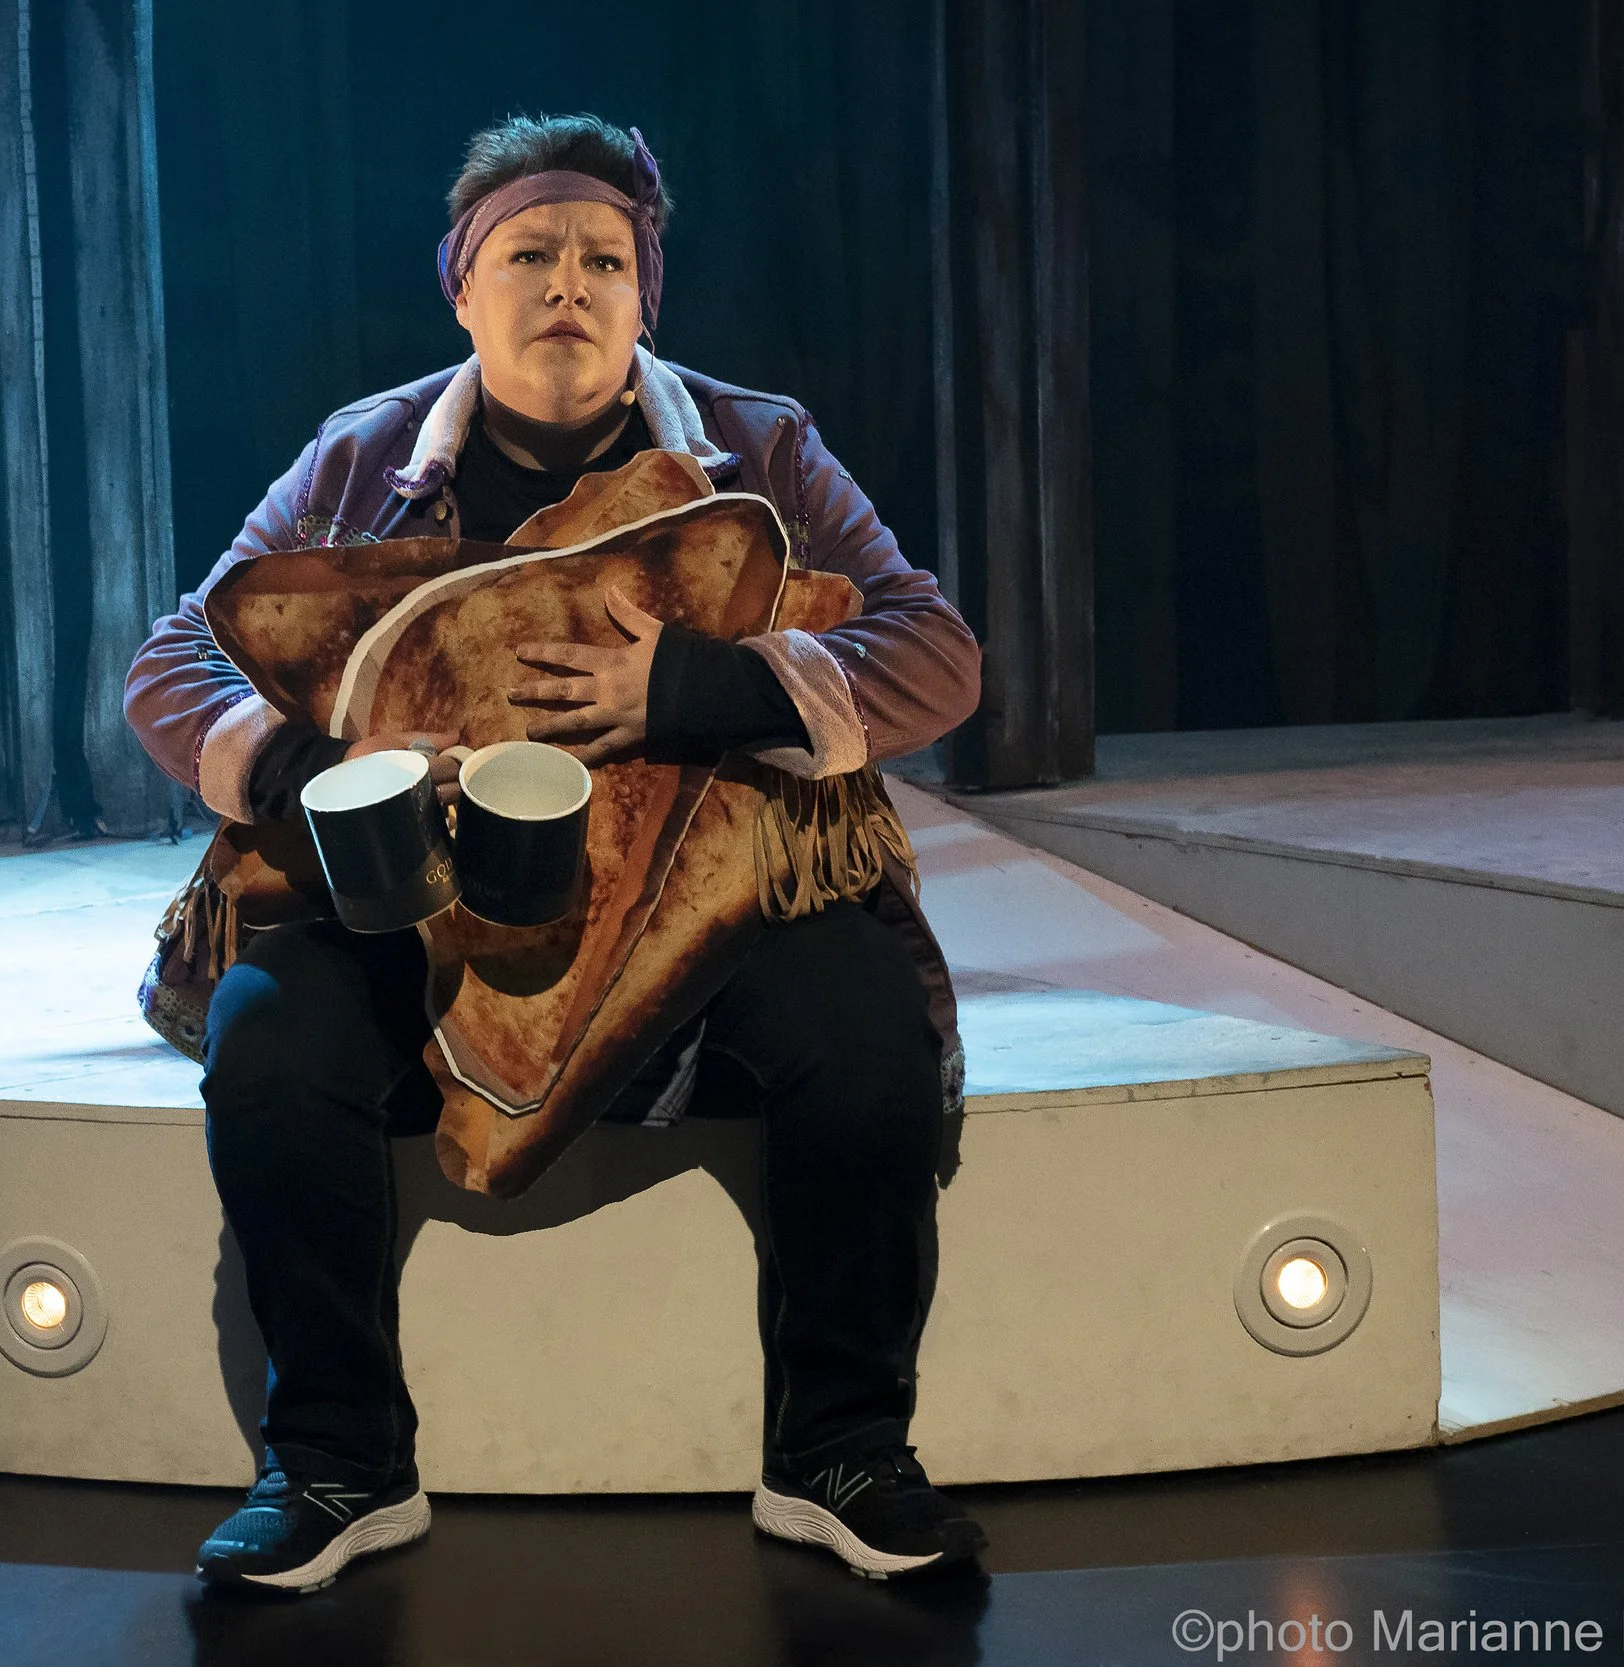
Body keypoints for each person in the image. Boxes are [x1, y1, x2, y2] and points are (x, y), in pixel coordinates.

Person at [123, 114, 985, 1594]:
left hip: (701, 915)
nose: (567, 285)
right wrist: (315, 772)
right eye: (529, 254)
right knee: (272, 1041)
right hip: (432, 913)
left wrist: (699, 690)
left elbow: (936, 652)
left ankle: (841, 1451)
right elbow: (177, 653)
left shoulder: (756, 446)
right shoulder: (364, 458)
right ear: (463, 290)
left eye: (603, 257)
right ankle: (336, 1460)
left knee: (864, 1026)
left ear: (648, 294)